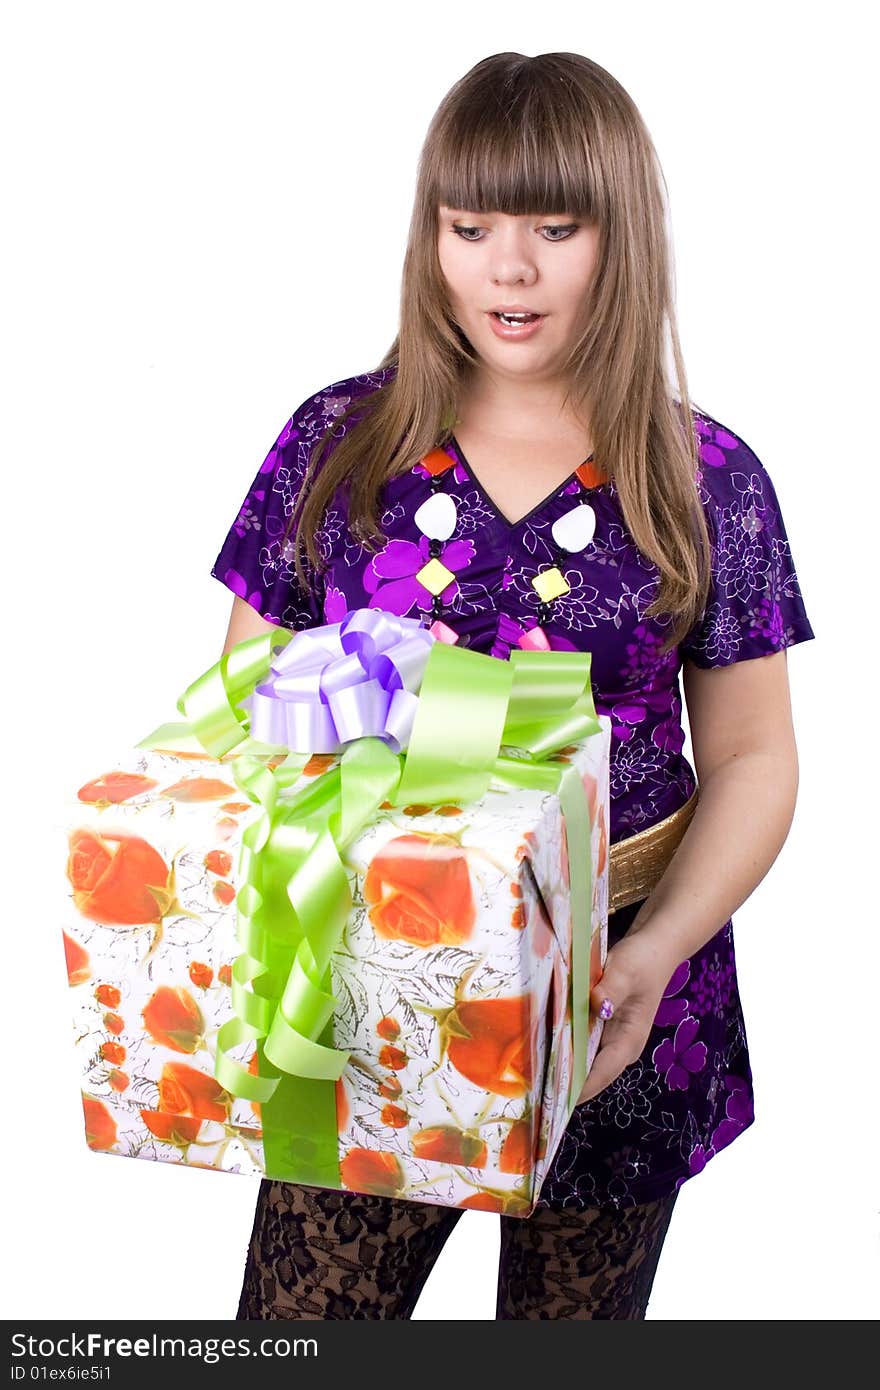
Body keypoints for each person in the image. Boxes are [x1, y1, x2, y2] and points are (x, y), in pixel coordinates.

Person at [211, 52, 815, 1320]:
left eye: (556, 225)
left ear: (623, 233)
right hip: (377, 988)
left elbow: (754, 758)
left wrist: (652, 957)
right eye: (469, 224)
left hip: (623, 1010)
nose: (509, 268)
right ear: (430, 234)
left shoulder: (705, 478)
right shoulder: (339, 443)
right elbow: (244, 698)